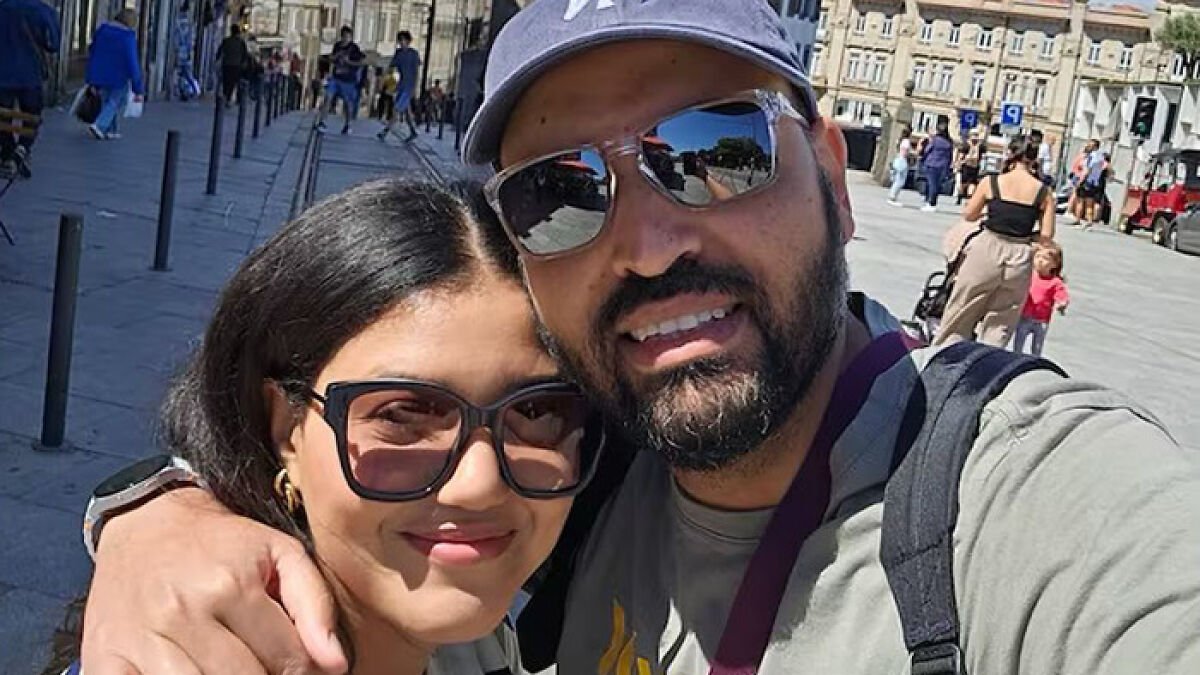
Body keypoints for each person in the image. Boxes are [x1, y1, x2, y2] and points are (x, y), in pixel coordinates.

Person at [79, 2, 1200, 673]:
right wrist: (157, 512)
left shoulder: (1025, 511)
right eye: (562, 192)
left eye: (717, 149)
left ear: (831, 175)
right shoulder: (569, 463)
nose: (651, 242)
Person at [934, 137, 1056, 347]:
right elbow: (1047, 235)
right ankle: (987, 366)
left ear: (1010, 154)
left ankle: (943, 356)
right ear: (1034, 160)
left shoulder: (991, 182)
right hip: (1019, 254)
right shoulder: (1043, 192)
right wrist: (1028, 235)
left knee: (962, 309)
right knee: (1002, 320)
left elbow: (970, 215)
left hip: (988, 247)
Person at [0, 0, 59, 178]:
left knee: (4, 116)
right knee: (31, 115)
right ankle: (22, 148)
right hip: (30, 74)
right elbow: (53, 44)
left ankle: (8, 152)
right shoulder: (43, 10)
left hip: (2, 73)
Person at [84, 9, 144, 141]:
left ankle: (111, 130)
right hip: (119, 76)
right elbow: (132, 61)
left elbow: (92, 50)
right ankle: (100, 125)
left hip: (99, 73)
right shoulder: (127, 36)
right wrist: (138, 87)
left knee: (107, 100)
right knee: (115, 101)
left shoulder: (102, 30)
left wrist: (90, 76)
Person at [1013, 243, 1068, 357]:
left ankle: (1035, 361)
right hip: (1024, 316)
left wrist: (1062, 303)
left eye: (1045, 259)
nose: (1040, 261)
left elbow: (1061, 294)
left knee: (1037, 347)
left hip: (1042, 320)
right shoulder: (1029, 274)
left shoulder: (1055, 281)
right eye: (1038, 257)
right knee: (1018, 344)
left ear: (1055, 264)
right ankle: (1016, 359)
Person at [319, 26, 364, 134]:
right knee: (328, 97)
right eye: (344, 36)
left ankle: (348, 125)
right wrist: (333, 58)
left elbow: (360, 63)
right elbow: (333, 59)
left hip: (348, 80)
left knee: (348, 103)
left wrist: (349, 62)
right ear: (341, 36)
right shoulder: (337, 46)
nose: (346, 39)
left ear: (351, 37)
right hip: (336, 77)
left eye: (348, 37)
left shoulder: (354, 48)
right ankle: (322, 122)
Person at [378, 30, 419, 142]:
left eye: (403, 40)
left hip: (408, 87)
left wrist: (415, 88)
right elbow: (392, 65)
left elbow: (416, 71)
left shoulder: (414, 54)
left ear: (408, 41)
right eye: (400, 40)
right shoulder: (399, 53)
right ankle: (413, 132)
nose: (401, 42)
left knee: (396, 109)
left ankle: (385, 132)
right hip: (401, 86)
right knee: (407, 111)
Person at [920, 119, 954, 212]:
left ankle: (929, 202)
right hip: (942, 166)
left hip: (931, 164)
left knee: (931, 184)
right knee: (936, 185)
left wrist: (923, 158)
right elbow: (950, 156)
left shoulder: (935, 140)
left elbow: (927, 150)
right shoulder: (949, 142)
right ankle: (933, 202)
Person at [216, 23, 250, 105]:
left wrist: (217, 59)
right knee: (233, 83)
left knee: (226, 82)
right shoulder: (241, 42)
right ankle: (229, 99)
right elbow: (245, 55)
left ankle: (225, 97)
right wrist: (244, 64)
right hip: (236, 66)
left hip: (227, 64)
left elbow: (219, 51)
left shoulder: (226, 41)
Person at [172, 1, 199, 101]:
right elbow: (189, 40)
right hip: (185, 53)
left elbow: (178, 38)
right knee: (186, 74)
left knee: (183, 74)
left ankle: (188, 90)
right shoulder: (188, 23)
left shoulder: (179, 22)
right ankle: (190, 90)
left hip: (180, 52)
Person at [1076, 138, 1105, 231]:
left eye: (1090, 145)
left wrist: (1080, 181)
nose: (1088, 147)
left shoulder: (1091, 157)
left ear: (1094, 147)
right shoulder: (1100, 157)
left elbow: (1087, 170)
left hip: (1087, 181)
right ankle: (1089, 221)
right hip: (1095, 182)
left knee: (1080, 201)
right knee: (1090, 203)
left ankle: (1078, 220)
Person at [954, 131, 982, 205]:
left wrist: (958, 164)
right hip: (973, 167)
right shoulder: (979, 146)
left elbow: (961, 156)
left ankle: (963, 198)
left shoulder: (966, 145)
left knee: (967, 183)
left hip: (968, 166)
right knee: (969, 183)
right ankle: (966, 198)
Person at [886, 125, 911, 206]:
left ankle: (892, 196)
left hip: (897, 159)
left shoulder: (900, 140)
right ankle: (892, 197)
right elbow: (905, 152)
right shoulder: (906, 141)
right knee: (900, 181)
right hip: (902, 161)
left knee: (896, 180)